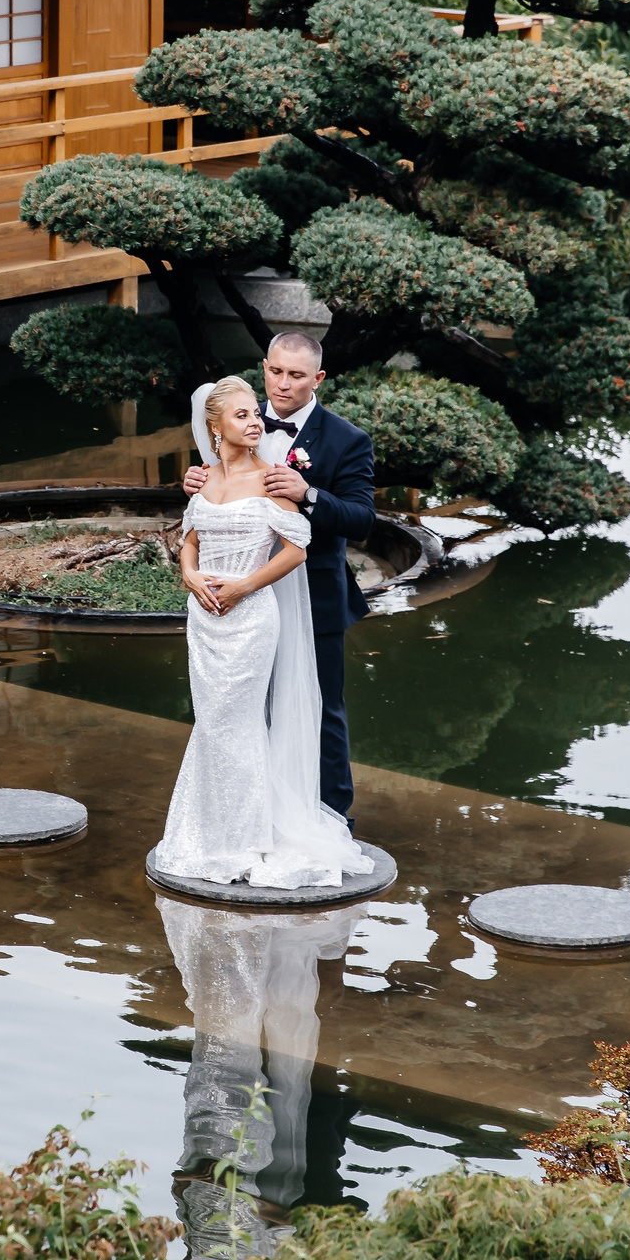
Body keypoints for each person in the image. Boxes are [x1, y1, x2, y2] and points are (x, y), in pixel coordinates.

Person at [155, 374, 374, 889]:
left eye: (256, 413)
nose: (255, 420)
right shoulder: (204, 477)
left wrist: (241, 589)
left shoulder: (276, 476)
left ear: (315, 377)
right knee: (212, 722)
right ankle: (209, 831)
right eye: (244, 414)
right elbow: (190, 536)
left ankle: (253, 834)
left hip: (251, 615)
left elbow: (296, 549)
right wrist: (189, 575)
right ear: (214, 427)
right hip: (204, 619)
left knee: (246, 720)